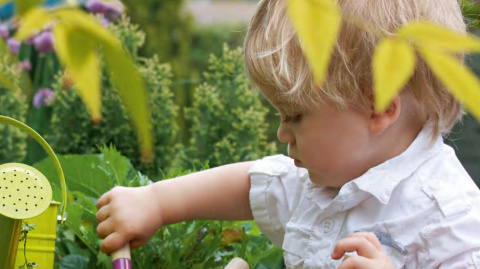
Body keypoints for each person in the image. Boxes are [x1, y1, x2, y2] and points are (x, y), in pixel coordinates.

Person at [95, 0, 480, 267]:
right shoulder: (332, 178)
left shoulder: (451, 222)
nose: (282, 133)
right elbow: (254, 185)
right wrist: (156, 203)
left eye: (295, 116)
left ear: (378, 109)